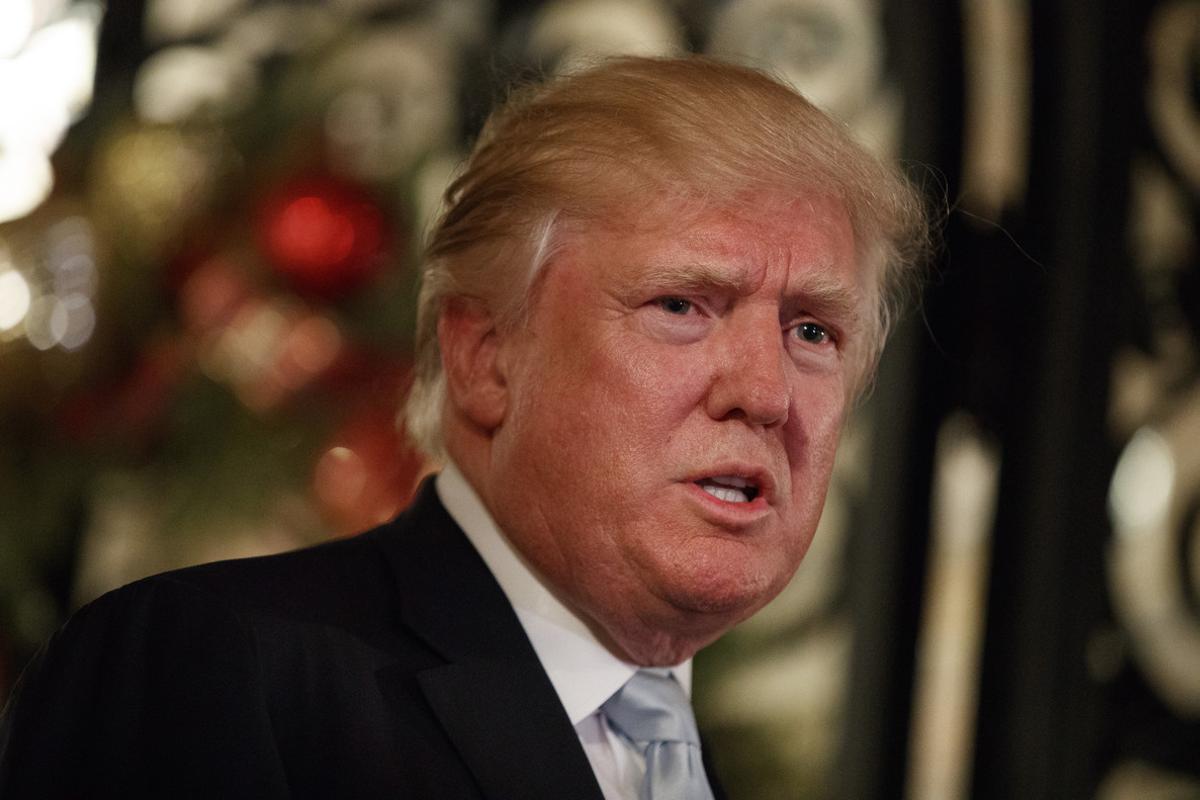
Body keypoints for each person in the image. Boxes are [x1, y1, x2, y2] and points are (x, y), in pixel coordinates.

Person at [0, 55, 928, 798]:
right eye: (683, 304)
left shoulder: (685, 767)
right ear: (488, 358)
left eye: (813, 330)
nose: (766, 393)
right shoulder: (219, 674)